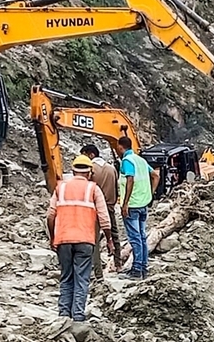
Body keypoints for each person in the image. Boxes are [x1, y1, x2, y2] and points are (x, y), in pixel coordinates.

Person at [46, 154, 111, 324]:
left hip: (63, 239)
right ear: (90, 172)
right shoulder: (93, 189)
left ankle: (64, 315)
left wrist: (53, 237)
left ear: (73, 171)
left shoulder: (61, 187)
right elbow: (105, 219)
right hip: (85, 240)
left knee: (66, 277)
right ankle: (78, 317)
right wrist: (109, 240)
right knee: (82, 279)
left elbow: (50, 216)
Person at [116, 135, 159, 280]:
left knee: (135, 238)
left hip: (132, 205)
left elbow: (130, 179)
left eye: (118, 147)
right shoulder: (140, 160)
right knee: (141, 237)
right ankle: (143, 267)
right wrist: (150, 194)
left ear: (121, 147)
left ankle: (136, 269)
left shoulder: (127, 161)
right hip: (143, 204)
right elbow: (155, 176)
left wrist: (125, 202)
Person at [80, 143, 122, 266]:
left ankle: (97, 270)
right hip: (109, 206)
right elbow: (116, 188)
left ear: (91, 154)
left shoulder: (90, 169)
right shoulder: (111, 168)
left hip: (93, 208)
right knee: (114, 235)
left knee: (94, 240)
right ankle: (118, 263)